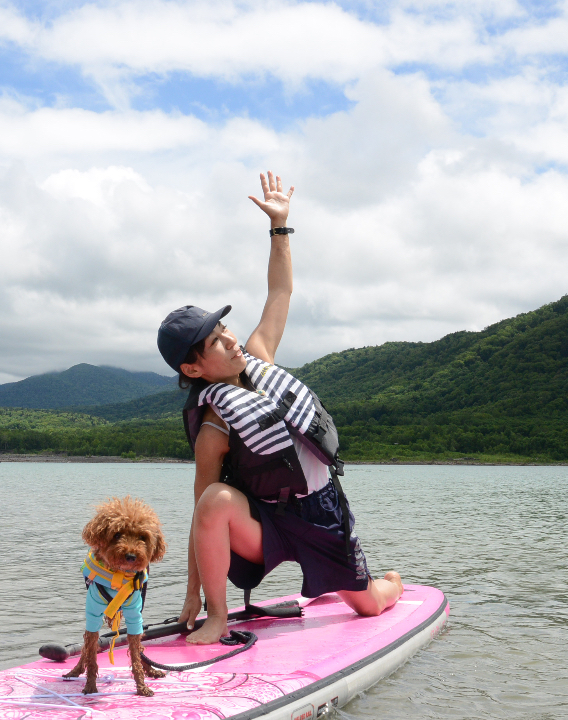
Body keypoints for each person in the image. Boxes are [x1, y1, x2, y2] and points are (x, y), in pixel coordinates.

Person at [156, 171, 404, 645]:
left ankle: (388, 583)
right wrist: (193, 593)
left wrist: (280, 228)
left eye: (224, 330)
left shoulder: (259, 355)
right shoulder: (213, 425)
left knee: (369, 605)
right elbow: (201, 515)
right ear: (192, 370)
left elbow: (279, 292)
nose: (230, 340)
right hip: (265, 523)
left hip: (322, 514)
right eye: (214, 341)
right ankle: (218, 616)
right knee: (214, 500)